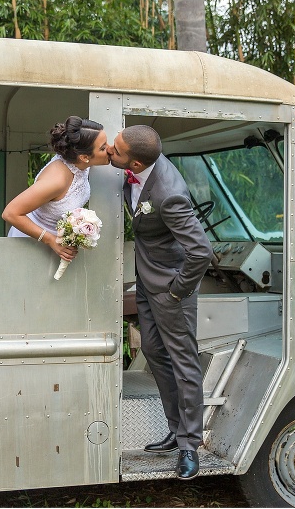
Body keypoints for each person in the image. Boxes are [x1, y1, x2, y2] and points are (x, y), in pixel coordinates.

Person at [107, 125, 213, 480]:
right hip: (148, 281)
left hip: (171, 289)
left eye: (116, 149)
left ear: (134, 163)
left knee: (184, 363)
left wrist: (177, 291)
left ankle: (189, 445)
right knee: (153, 350)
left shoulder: (169, 195)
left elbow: (201, 252)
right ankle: (175, 428)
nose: (110, 149)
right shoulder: (136, 168)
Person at [2, 116, 108, 263]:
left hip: (56, 248)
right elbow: (10, 213)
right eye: (103, 148)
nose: (109, 149)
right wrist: (50, 240)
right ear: (84, 157)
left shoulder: (79, 163)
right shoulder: (57, 181)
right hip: (31, 244)